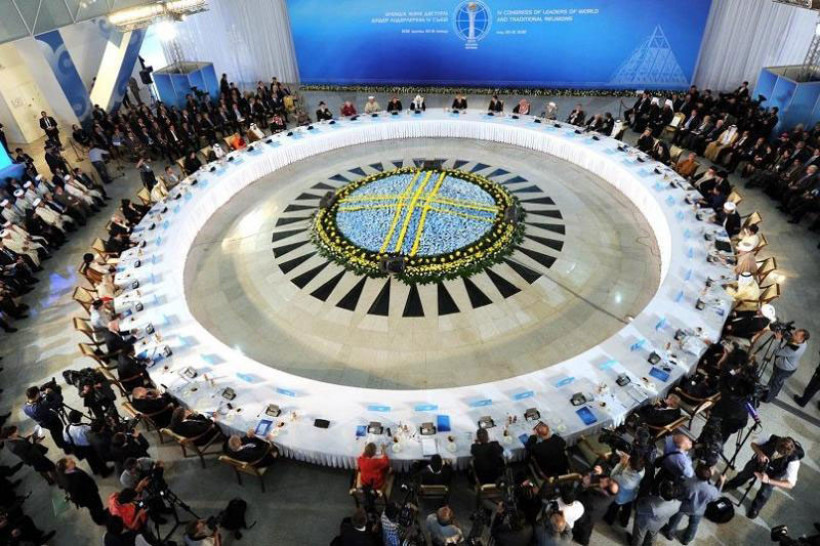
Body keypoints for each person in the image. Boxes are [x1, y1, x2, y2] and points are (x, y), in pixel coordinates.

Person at [724, 435, 803, 518]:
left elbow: (790, 484)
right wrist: (760, 453)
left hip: (774, 473)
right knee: (744, 473)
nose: (778, 454)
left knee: (765, 491)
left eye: (780, 454)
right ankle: (732, 484)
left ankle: (756, 508)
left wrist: (768, 480)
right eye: (777, 451)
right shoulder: (772, 438)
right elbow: (753, 443)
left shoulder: (794, 461)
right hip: (759, 462)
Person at [662, 463, 723, 545]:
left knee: (675, 518)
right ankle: (687, 539)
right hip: (698, 509)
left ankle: (670, 532)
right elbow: (717, 495)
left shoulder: (688, 480)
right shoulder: (710, 490)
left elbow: (680, 481)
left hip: (684, 505)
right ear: (709, 476)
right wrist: (721, 482)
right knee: (694, 524)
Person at [629, 479, 682, 546]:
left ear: (660, 492)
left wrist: (641, 499)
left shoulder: (652, 504)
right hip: (660, 523)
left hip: (644, 522)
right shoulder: (678, 503)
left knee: (639, 536)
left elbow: (638, 508)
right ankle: (649, 544)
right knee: (652, 534)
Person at [56, 457, 108, 524]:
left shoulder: (68, 471)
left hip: (89, 495)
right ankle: (100, 519)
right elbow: (78, 493)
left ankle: (101, 514)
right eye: (70, 462)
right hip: (89, 497)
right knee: (95, 508)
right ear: (66, 468)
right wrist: (93, 491)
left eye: (71, 459)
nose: (73, 461)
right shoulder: (73, 480)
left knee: (96, 508)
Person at [63, 409, 114, 476]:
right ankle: (104, 472)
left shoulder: (66, 428)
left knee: (89, 459)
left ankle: (95, 470)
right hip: (89, 446)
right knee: (97, 458)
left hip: (78, 447)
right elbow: (93, 432)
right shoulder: (85, 428)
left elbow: (66, 439)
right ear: (79, 418)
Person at [765, 329, 810, 403]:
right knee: (779, 382)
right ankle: (774, 394)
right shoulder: (804, 343)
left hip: (783, 368)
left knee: (774, 382)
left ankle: (767, 398)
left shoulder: (793, 349)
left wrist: (778, 340)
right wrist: (784, 334)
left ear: (801, 338)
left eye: (796, 334)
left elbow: (776, 352)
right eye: (795, 332)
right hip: (791, 367)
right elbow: (793, 342)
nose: (793, 334)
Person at [603, 452, 645, 527]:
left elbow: (613, 476)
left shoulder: (626, 481)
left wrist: (620, 463)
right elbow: (635, 463)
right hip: (631, 496)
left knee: (613, 509)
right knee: (627, 510)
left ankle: (609, 520)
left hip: (620, 497)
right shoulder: (642, 470)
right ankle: (624, 522)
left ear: (631, 465)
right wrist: (627, 458)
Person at [23, 384, 66, 449]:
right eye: (38, 393)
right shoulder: (39, 407)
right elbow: (58, 399)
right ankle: (62, 443)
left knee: (54, 432)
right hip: (52, 421)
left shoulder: (25, 407)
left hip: (43, 423)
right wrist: (51, 393)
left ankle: (59, 443)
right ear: (36, 395)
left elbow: (37, 401)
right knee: (58, 430)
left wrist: (43, 394)